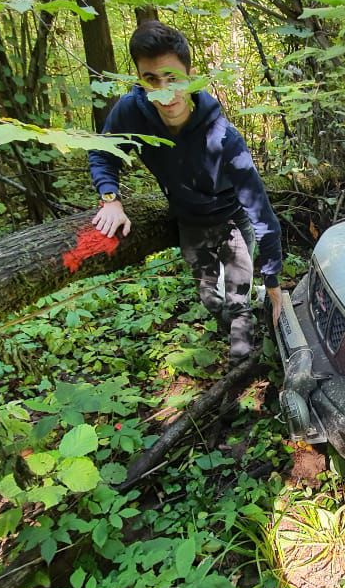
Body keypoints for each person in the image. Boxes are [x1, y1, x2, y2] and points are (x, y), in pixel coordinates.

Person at [88, 22, 283, 363]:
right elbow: (102, 152)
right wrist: (111, 198)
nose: (164, 93)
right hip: (189, 223)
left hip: (233, 220)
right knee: (210, 299)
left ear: (190, 76)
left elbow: (261, 212)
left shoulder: (223, 137)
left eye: (173, 78)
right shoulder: (131, 111)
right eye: (151, 79)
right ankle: (229, 324)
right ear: (139, 78)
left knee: (238, 298)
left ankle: (244, 354)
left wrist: (274, 283)